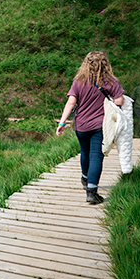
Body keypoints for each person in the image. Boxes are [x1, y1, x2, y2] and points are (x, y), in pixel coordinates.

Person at [56, 51, 124, 204]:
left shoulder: (79, 81)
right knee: (96, 156)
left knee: (84, 152)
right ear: (105, 63)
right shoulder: (110, 81)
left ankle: (85, 178)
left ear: (86, 63)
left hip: (80, 125)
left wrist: (62, 123)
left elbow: (71, 103)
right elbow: (119, 101)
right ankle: (92, 193)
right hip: (99, 125)